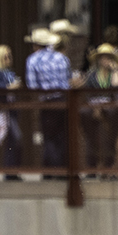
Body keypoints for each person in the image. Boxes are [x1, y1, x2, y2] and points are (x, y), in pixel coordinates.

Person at [24, 27, 71, 169]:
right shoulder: (62, 58)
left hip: (47, 101)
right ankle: (63, 169)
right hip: (63, 100)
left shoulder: (32, 60)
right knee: (63, 136)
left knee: (49, 137)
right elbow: (68, 80)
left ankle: (52, 170)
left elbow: (32, 86)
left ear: (36, 45)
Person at [78, 43, 118, 170]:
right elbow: (86, 92)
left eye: (108, 57)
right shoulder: (92, 74)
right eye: (103, 57)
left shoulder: (114, 73)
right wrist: (96, 107)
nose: (105, 60)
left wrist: (115, 69)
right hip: (93, 106)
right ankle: (91, 166)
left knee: (110, 134)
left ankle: (108, 165)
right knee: (90, 132)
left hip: (110, 108)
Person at [0, 43, 23, 172]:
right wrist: (9, 87)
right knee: (14, 138)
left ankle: (12, 171)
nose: (8, 59)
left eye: (9, 56)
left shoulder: (9, 72)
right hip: (3, 108)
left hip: (12, 108)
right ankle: (10, 171)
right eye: (5, 57)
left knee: (13, 141)